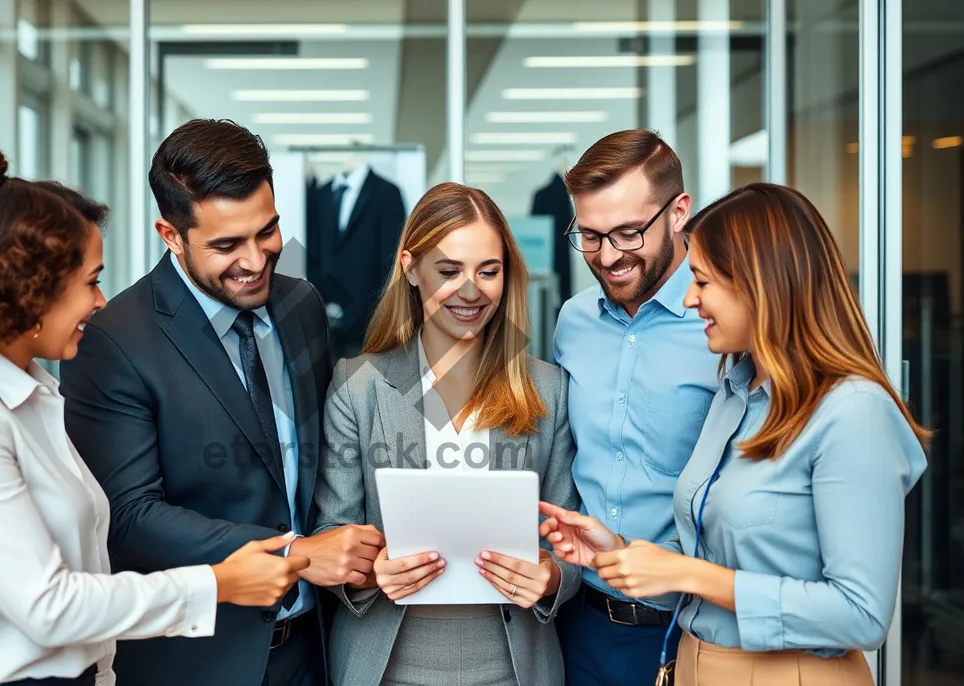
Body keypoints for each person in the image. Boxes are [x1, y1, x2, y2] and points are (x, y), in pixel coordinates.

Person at [0, 132, 308, 686]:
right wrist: (217, 583)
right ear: (28, 290)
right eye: (89, 282)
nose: (100, 302)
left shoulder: (27, 392)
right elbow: (49, 604)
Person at [540, 183, 930, 686]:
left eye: (702, 281)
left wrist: (690, 576)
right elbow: (712, 552)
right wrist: (617, 550)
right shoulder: (735, 390)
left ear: (759, 284)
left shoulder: (853, 412)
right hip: (695, 664)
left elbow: (862, 613)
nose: (688, 298)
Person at [59, 119, 383, 686]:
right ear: (170, 234)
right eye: (227, 245)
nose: (256, 260)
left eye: (268, 231)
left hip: (314, 650)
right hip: (197, 659)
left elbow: (322, 463)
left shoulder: (301, 305)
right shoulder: (113, 339)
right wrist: (297, 554)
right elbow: (127, 517)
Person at [312, 182, 582, 686]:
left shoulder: (549, 389)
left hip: (513, 665)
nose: (472, 290)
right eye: (449, 270)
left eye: (489, 271)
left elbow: (570, 547)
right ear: (410, 268)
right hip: (386, 664)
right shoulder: (359, 386)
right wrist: (373, 569)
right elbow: (333, 533)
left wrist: (550, 576)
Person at [549, 129, 721, 684]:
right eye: (592, 236)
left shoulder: (726, 325)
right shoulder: (573, 321)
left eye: (627, 232)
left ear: (679, 212)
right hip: (580, 624)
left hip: (692, 629)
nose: (609, 256)